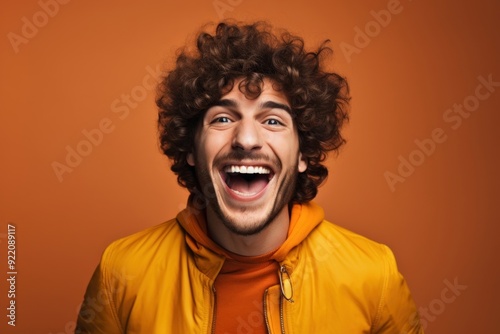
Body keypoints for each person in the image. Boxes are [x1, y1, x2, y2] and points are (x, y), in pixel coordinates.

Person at [76, 21, 423, 333]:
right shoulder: (120, 272)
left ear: (303, 153)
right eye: (222, 119)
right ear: (192, 149)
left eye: (273, 120)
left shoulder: (374, 277)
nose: (246, 139)